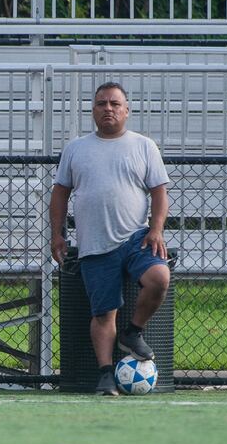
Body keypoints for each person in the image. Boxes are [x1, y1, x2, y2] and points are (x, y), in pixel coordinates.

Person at [49, 82, 170, 396]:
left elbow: (159, 192)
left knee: (159, 277)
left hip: (136, 238)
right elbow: (60, 192)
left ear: (126, 110)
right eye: (102, 103)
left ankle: (132, 332)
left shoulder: (144, 146)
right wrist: (57, 234)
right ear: (93, 111)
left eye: (115, 104)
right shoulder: (76, 148)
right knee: (103, 313)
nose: (108, 109)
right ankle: (106, 374)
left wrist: (156, 229)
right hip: (94, 243)